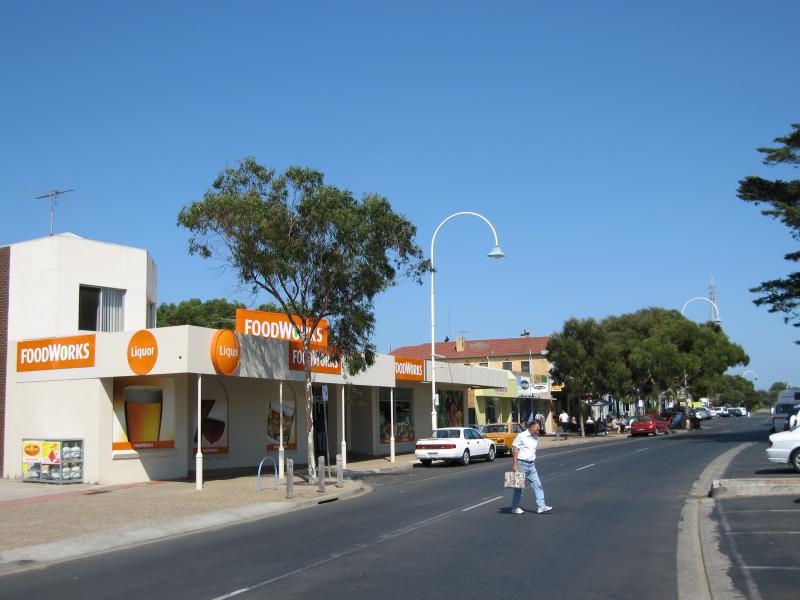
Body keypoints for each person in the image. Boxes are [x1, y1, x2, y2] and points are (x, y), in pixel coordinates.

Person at [510, 420, 552, 514]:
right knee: (519, 487)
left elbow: (532, 451)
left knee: (538, 485)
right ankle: (515, 507)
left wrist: (533, 462)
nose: (538, 431)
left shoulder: (536, 437)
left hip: (531, 465)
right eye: (537, 429)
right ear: (531, 427)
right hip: (521, 464)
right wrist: (515, 464)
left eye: (539, 429)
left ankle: (541, 507)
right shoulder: (521, 436)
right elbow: (515, 450)